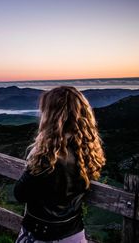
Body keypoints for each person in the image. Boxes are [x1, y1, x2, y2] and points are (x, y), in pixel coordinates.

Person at [14, 86, 106, 243]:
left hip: (42, 235)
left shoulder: (47, 157)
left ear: (52, 116)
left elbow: (20, 194)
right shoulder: (87, 151)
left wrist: (34, 157)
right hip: (74, 233)